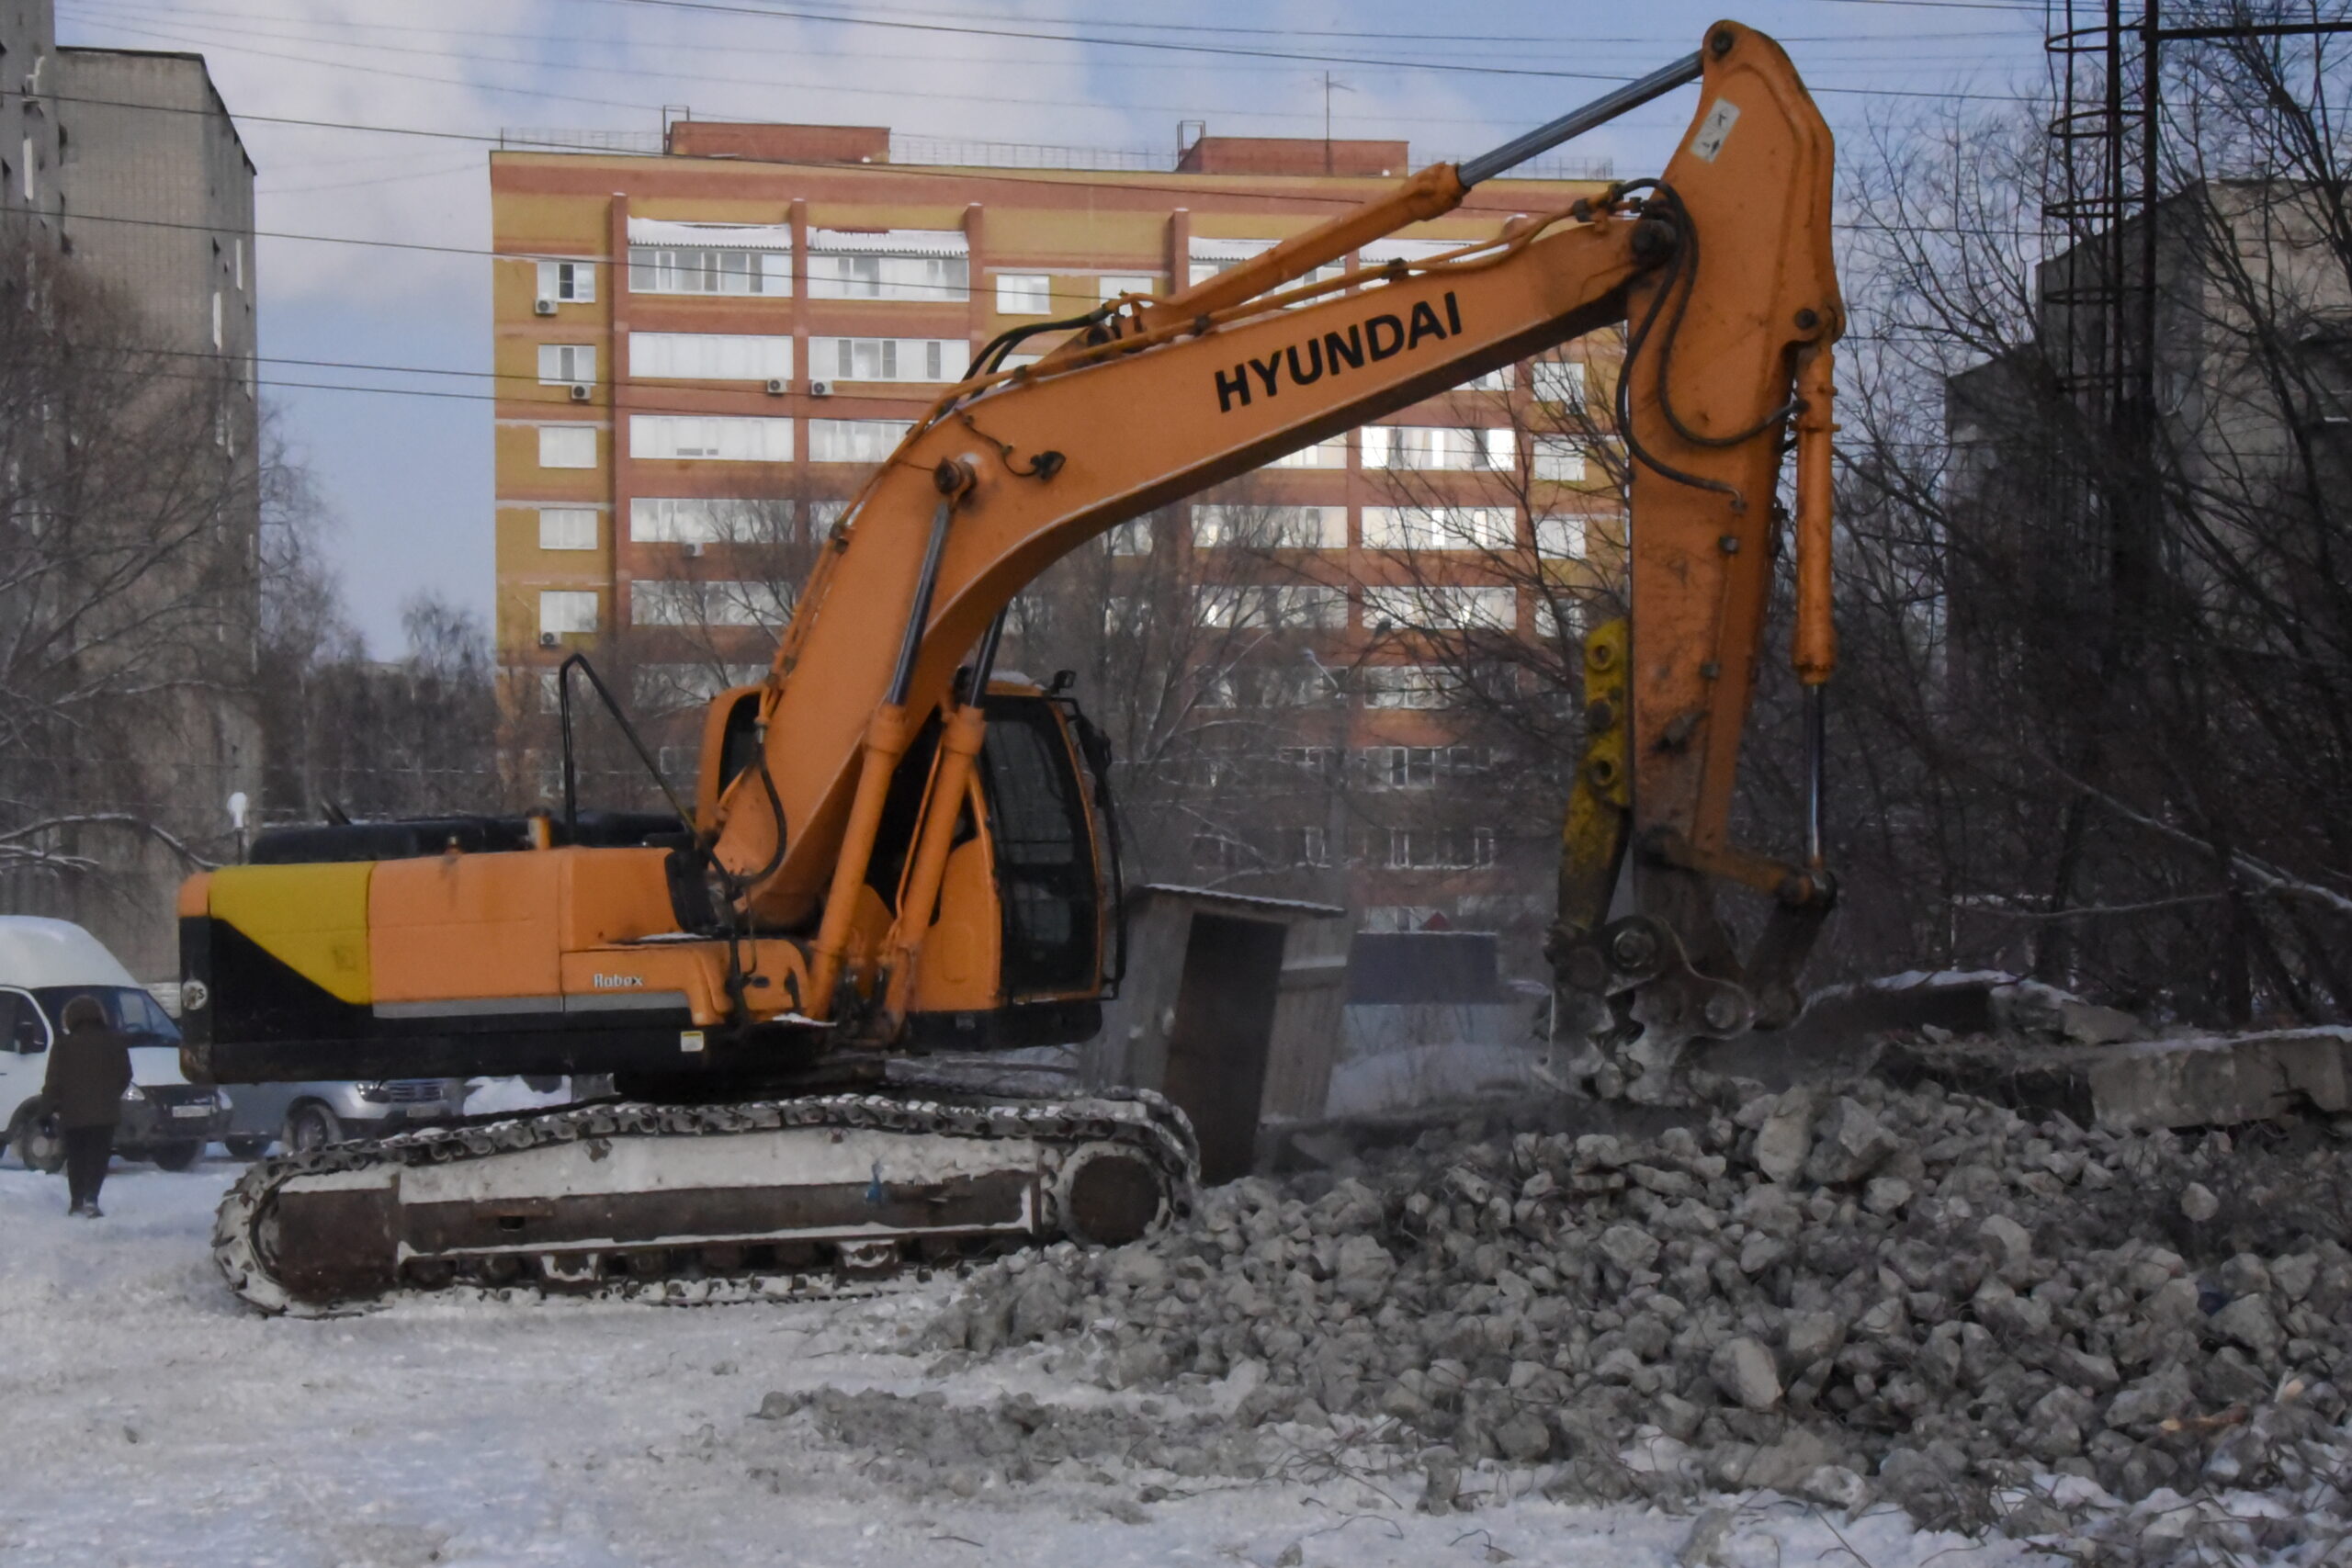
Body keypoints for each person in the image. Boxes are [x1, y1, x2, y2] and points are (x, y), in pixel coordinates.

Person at [42, 995, 130, 1217]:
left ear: (71, 1018)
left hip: (72, 1114)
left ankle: (76, 1201)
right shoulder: (115, 1042)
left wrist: (46, 1111)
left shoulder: (63, 1045)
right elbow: (125, 1074)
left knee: (76, 1157)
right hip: (105, 1114)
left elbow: (53, 1082)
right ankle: (92, 1198)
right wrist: (111, 1095)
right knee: (98, 1156)